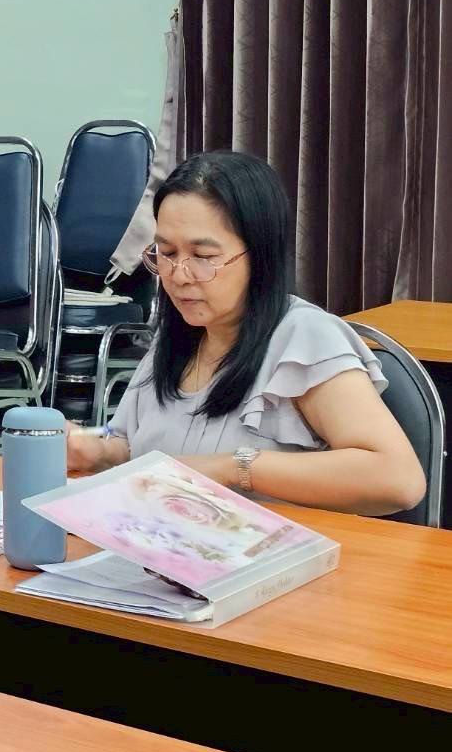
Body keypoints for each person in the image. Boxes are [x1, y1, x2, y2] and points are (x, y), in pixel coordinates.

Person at [67, 151, 425, 517]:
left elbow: (399, 479)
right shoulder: (181, 332)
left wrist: (232, 468)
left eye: (203, 256)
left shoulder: (305, 337)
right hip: (165, 539)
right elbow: (132, 444)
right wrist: (95, 450)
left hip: (272, 549)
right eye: (167, 252)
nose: (178, 275)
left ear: (259, 255)